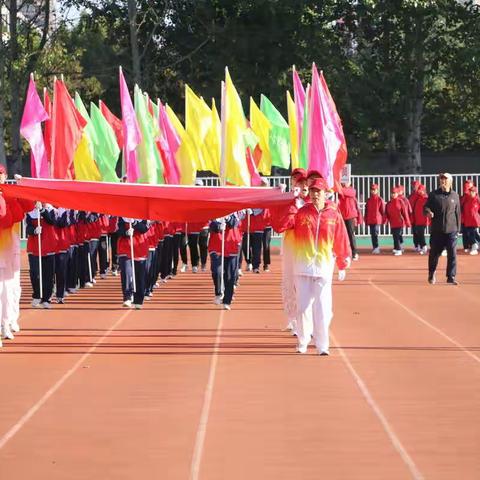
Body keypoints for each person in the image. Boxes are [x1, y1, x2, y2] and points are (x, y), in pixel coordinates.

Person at [273, 177, 351, 355]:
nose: (315, 194)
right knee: (302, 308)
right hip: (303, 266)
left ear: (326, 193)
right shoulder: (301, 213)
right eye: (313, 191)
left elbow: (341, 238)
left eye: (319, 191)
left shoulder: (333, 214)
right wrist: (286, 201)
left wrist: (342, 261)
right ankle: (303, 341)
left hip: (323, 266)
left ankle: (322, 345)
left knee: (322, 308)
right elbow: (281, 225)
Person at [424, 173, 461, 285]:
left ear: (450, 181)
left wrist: (458, 230)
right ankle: (431, 273)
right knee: (434, 254)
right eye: (441, 179)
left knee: (452, 253)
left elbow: (458, 213)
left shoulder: (455, 196)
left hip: (451, 230)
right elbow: (425, 207)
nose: (443, 181)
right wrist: (428, 212)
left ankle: (451, 276)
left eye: (445, 179)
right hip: (437, 230)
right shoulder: (433, 195)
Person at [338, 181, 362, 260]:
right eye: (343, 181)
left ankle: (354, 252)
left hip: (350, 216)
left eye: (346, 182)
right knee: (342, 236)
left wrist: (338, 187)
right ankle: (345, 253)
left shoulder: (352, 190)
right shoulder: (339, 192)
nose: (344, 183)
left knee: (351, 234)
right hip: (341, 216)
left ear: (350, 182)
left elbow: (344, 191)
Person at [385, 187, 411, 256]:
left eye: (395, 193)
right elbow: (386, 213)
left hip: (399, 222)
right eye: (392, 193)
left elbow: (404, 212)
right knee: (394, 236)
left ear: (397, 194)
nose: (393, 195)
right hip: (392, 223)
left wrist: (407, 222)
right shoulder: (389, 203)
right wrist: (385, 220)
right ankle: (396, 248)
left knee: (397, 235)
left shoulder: (400, 201)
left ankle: (399, 250)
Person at [364, 183, 385, 254]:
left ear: (377, 190)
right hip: (370, 219)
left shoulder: (380, 199)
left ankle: (376, 247)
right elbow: (366, 211)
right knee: (372, 233)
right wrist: (366, 219)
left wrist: (384, 219)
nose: (373, 191)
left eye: (374, 190)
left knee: (375, 233)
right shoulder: (369, 200)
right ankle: (375, 247)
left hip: (377, 220)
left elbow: (383, 211)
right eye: (372, 190)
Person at [461, 185, 480, 255]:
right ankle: (474, 245)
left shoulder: (477, 200)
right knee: (471, 234)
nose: (471, 193)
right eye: (470, 191)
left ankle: (474, 246)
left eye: (473, 192)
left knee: (473, 233)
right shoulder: (467, 199)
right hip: (468, 221)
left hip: (474, 221)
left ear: (475, 192)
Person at [411, 185, 430, 255]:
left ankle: (424, 246)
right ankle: (422, 246)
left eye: (421, 190)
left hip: (424, 219)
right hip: (417, 220)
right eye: (419, 190)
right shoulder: (417, 199)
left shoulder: (426, 199)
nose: (419, 191)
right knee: (418, 233)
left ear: (424, 190)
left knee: (421, 233)